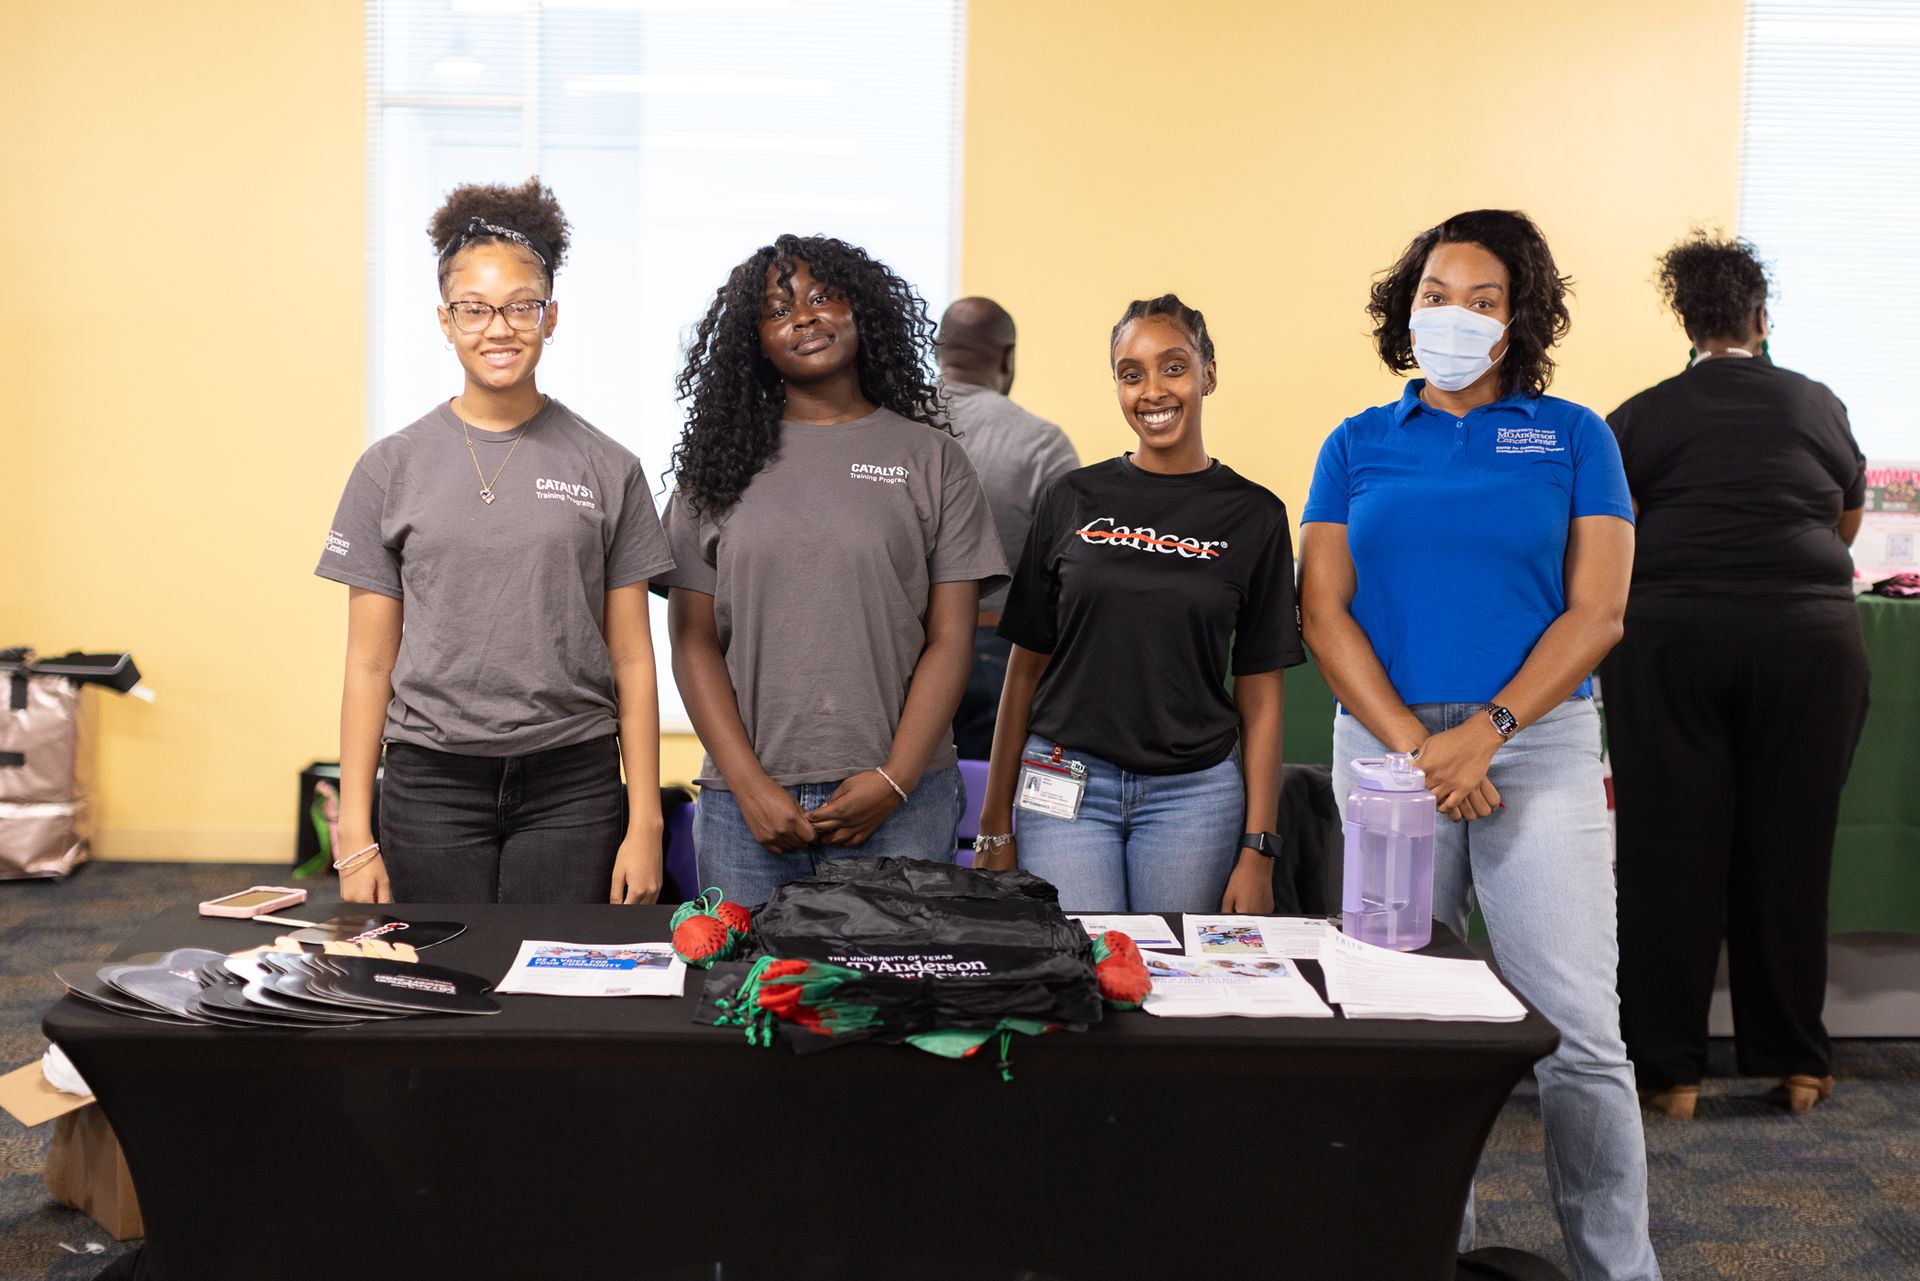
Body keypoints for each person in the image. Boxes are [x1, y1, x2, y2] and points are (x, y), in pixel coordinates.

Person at [1298, 210, 1659, 1280]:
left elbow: (1599, 612)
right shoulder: (1356, 442)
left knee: (1580, 1034)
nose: (1455, 315)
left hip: (1536, 746)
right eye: (1435, 295)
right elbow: (1324, 613)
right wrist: (1423, 749)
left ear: (1517, 321)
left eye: (1483, 300)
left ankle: (1619, 1268)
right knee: (1404, 1023)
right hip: (1388, 752)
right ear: (1405, 310)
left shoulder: (1575, 436)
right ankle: (1421, 1256)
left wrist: (1488, 732)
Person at [317, 177, 675, 905]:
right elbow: (368, 662)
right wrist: (355, 831)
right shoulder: (389, 468)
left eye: (520, 306)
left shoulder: (609, 467)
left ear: (551, 316)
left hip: (572, 781)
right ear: (445, 321)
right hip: (430, 781)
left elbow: (634, 660)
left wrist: (646, 822)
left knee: (555, 969)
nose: (499, 328)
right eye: (474, 309)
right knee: (440, 970)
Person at [1601, 233, 1869, 1119]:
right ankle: (1797, 1063)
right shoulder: (1816, 404)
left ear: (1686, 322)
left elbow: (1612, 532)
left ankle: (1668, 1071)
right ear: (1762, 317)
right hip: (1809, 642)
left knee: (1666, 851)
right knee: (1790, 848)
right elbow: (1845, 520)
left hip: (1672, 642)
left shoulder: (1641, 415)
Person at [656, 234, 1007, 906]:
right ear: (755, 342)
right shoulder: (714, 470)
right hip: (747, 809)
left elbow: (951, 638)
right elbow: (692, 643)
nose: (805, 317)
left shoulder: (933, 460)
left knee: (895, 979)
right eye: (778, 310)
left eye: (823, 297)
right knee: (749, 974)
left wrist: (896, 779)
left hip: (904, 800)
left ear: (861, 311)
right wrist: (749, 787)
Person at [974, 294, 1302, 915]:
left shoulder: (1256, 515)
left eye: (1173, 367)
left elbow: (1261, 692)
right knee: (1082, 959)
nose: (1153, 391)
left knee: (1176, 970)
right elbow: (1023, 670)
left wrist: (1259, 849)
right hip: (1064, 779)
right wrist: (995, 826)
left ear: (1208, 373)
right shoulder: (1071, 497)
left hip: (1195, 797)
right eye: (1132, 374)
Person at [935, 297, 1081, 759]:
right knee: (993, 795)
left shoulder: (891, 425)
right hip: (997, 655)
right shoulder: (1042, 444)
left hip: (898, 653)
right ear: (1007, 357)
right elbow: (1075, 569)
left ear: (937, 349)